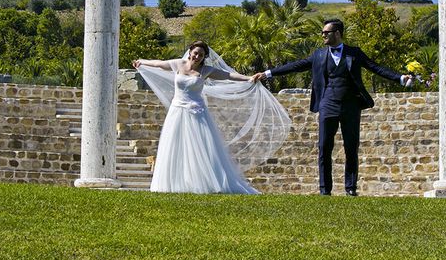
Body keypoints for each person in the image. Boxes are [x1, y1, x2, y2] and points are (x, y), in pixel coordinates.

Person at [257, 19, 414, 197]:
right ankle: (325, 190)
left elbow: (374, 67)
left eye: (326, 32)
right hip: (327, 104)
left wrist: (399, 78)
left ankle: (351, 188)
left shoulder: (354, 53)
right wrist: (267, 74)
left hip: (351, 105)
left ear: (337, 33)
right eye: (323, 32)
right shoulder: (318, 55)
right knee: (324, 146)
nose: (323, 35)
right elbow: (296, 66)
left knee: (351, 147)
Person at [134, 40, 290, 194]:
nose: (197, 57)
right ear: (190, 52)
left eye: (201, 55)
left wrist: (248, 78)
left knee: (202, 148)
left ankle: (204, 183)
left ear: (204, 57)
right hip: (178, 112)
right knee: (175, 146)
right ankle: (174, 184)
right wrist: (142, 62)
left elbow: (228, 75)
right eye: (195, 53)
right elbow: (158, 64)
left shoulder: (206, 71)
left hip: (198, 112)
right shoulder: (178, 64)